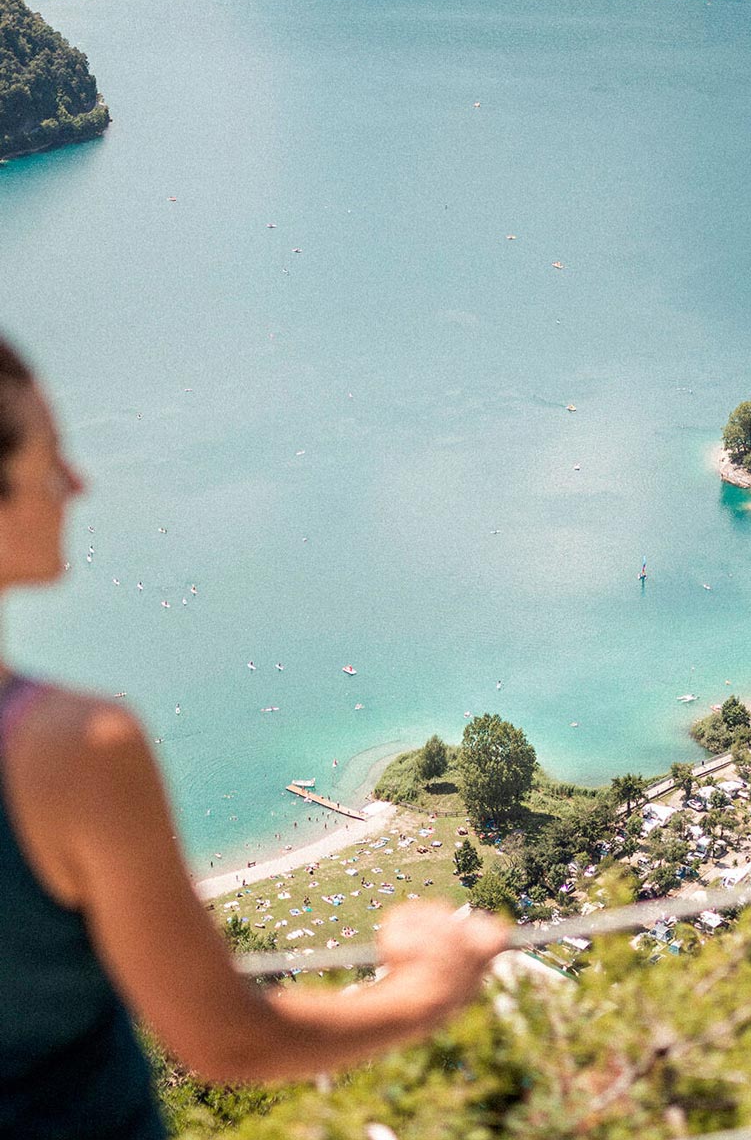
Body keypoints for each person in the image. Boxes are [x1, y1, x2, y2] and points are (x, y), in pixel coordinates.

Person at [0, 336, 509, 1139]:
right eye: (49, 459)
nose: (77, 484)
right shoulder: (69, 750)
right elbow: (227, 1039)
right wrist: (427, 987)